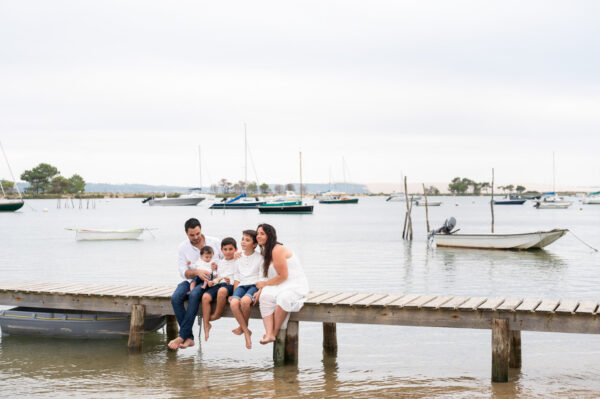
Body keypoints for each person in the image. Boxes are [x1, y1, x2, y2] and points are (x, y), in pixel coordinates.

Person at [168, 218, 222, 350]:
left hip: (209, 281)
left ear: (201, 230)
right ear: (187, 234)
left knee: (194, 295)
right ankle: (189, 338)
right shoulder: (183, 247)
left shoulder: (215, 242)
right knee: (175, 298)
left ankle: (182, 336)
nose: (196, 237)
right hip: (191, 280)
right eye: (192, 235)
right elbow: (182, 271)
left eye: (198, 233)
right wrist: (196, 272)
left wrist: (216, 269)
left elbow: (227, 260)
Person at [254, 223, 309, 345]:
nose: (258, 236)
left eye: (262, 234)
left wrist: (264, 284)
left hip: (293, 282)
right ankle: (268, 332)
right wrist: (261, 289)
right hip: (278, 283)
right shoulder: (265, 251)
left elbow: (283, 276)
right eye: (257, 233)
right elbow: (267, 275)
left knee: (283, 298)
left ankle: (273, 333)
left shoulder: (277, 250)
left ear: (270, 235)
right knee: (265, 297)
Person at [229, 229, 264, 349]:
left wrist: (260, 291)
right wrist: (234, 293)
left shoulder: (260, 258)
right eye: (243, 239)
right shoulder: (238, 257)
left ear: (254, 244)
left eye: (247, 240)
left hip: (254, 285)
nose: (243, 242)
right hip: (241, 285)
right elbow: (237, 277)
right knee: (233, 303)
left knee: (244, 302)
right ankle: (246, 330)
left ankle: (245, 333)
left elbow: (261, 277)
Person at [201, 237, 236, 341]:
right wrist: (213, 280)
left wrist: (232, 282)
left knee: (222, 291)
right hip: (219, 283)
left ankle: (217, 314)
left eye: (230, 249)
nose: (228, 252)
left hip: (230, 285)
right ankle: (206, 325)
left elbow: (240, 276)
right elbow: (217, 276)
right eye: (225, 249)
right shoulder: (220, 262)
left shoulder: (237, 261)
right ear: (221, 250)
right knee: (205, 297)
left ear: (235, 249)